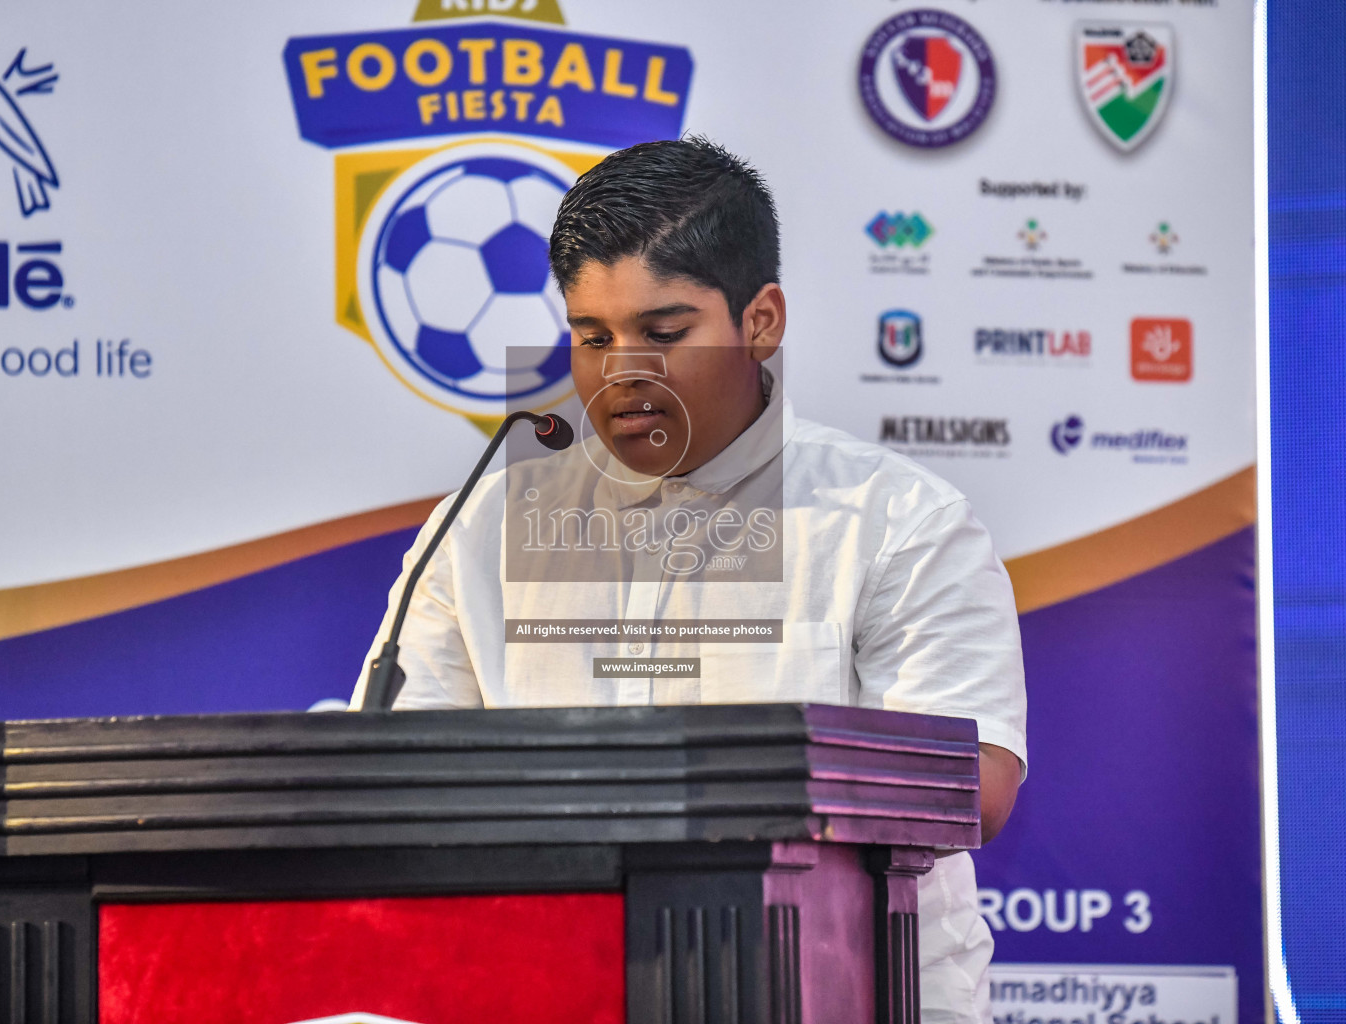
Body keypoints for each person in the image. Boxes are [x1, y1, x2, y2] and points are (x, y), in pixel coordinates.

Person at [354, 136, 1026, 1024]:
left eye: (664, 334)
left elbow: (970, 790)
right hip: (547, 988)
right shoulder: (484, 523)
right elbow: (390, 775)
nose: (622, 371)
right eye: (592, 338)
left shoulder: (900, 521)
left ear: (763, 318)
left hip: (836, 993)